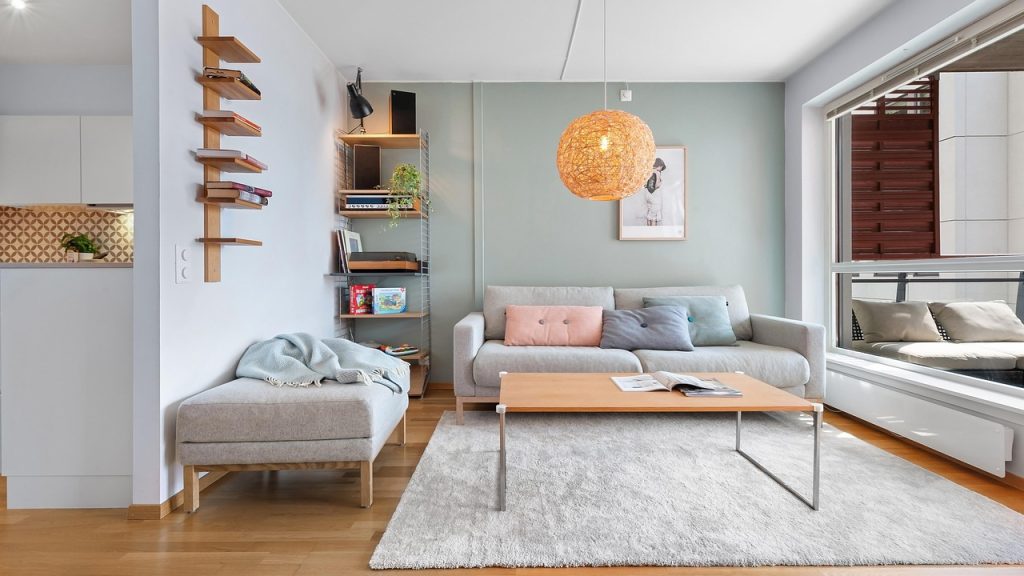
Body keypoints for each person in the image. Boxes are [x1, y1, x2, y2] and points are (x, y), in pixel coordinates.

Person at [644, 158, 667, 226]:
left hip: (647, 194)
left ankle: (648, 231)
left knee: (650, 211)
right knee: (654, 212)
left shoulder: (648, 171)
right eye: (661, 167)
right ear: (659, 165)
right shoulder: (657, 172)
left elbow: (645, 185)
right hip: (654, 194)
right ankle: (653, 233)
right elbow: (656, 186)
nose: (661, 169)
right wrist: (661, 183)